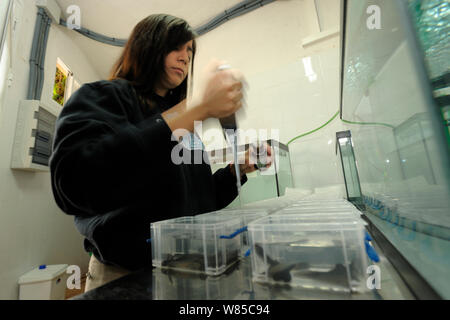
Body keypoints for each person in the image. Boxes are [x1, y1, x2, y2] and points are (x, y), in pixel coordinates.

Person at [49, 14, 271, 292]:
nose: (185, 57)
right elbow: (74, 183)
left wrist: (235, 171)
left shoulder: (187, 128)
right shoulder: (103, 96)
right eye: (176, 47)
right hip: (124, 276)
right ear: (148, 45)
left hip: (183, 272)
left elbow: (199, 202)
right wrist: (196, 109)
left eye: (190, 51)